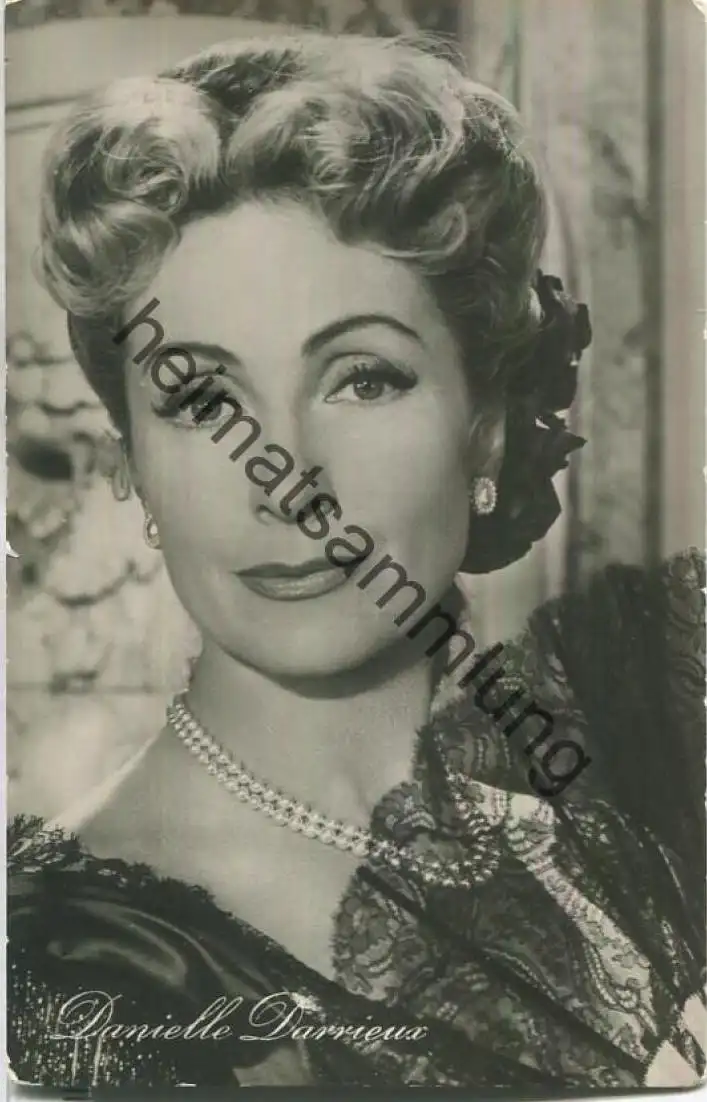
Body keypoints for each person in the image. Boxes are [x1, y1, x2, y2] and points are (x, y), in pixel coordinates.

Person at [7, 32, 705, 1090]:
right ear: (134, 461)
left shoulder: (622, 854)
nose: (285, 478)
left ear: (484, 432)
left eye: (362, 379)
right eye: (201, 400)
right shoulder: (68, 955)